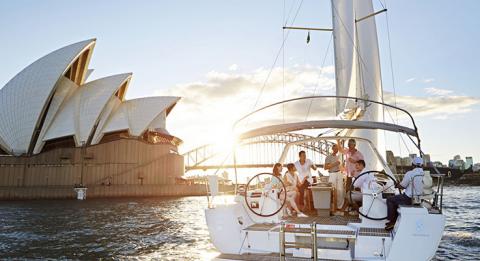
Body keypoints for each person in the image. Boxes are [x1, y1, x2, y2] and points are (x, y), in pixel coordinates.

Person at [385, 156, 425, 231]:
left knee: (390, 200)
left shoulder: (410, 173)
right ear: (422, 165)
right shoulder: (425, 174)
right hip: (420, 199)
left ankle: (391, 221)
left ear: (413, 165)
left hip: (408, 199)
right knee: (396, 200)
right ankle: (395, 220)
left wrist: (397, 185)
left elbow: (402, 186)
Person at [324, 144, 344, 212]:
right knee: (332, 191)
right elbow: (325, 167)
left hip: (339, 173)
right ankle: (332, 207)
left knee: (340, 190)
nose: (336, 150)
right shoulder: (328, 157)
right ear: (332, 149)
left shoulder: (339, 157)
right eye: (335, 149)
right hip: (332, 174)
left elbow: (341, 166)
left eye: (337, 149)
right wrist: (335, 164)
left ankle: (339, 206)